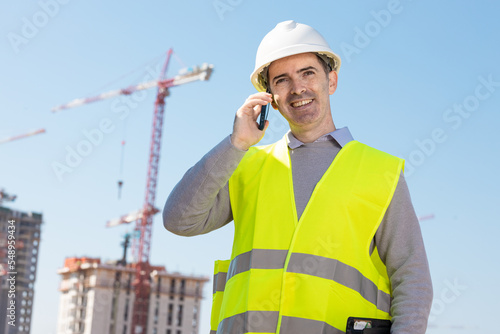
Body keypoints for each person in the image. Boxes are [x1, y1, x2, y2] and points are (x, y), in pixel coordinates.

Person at [163, 20, 433, 334]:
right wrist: (236, 143)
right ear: (269, 98)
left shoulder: (379, 172)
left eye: (308, 73)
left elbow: (411, 279)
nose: (297, 88)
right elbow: (179, 220)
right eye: (282, 80)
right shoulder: (247, 165)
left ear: (331, 81)